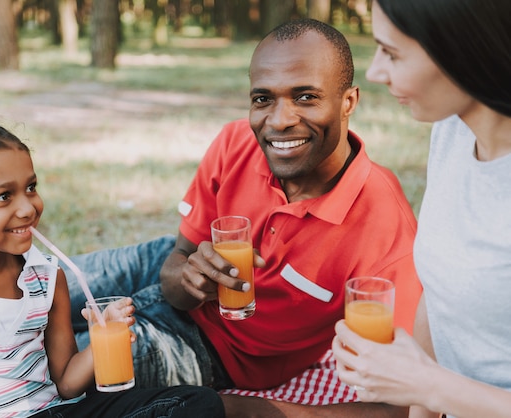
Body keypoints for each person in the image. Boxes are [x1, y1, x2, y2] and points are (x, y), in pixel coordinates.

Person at [59, 19, 422, 417]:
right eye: (263, 99)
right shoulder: (236, 141)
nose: (279, 120)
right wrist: (188, 278)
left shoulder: (385, 228)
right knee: (29, 284)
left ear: (349, 101)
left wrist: (252, 411)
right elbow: (174, 268)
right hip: (157, 266)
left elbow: (399, 406)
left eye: (305, 97)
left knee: (34, 369)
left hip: (214, 353)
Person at [0, 121, 225, 417]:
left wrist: (101, 341)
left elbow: (65, 383)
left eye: (30, 187)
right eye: (4, 196)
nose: (27, 208)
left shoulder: (47, 275)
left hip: (55, 411)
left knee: (197, 403)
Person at [331, 1, 511, 418]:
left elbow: (430, 383)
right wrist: (422, 404)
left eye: (391, 53)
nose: (374, 72)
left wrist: (427, 385)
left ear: (463, 50)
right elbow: (439, 298)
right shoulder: (453, 131)